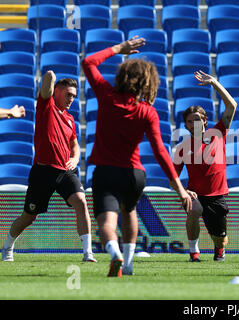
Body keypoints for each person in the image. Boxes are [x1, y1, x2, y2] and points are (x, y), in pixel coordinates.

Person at [82, 36, 192, 277]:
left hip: (106, 172)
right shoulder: (147, 112)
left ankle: (115, 253)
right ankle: (129, 263)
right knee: (129, 211)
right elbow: (160, 151)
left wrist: (119, 48)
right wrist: (180, 189)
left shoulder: (106, 96)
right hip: (134, 174)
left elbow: (88, 63)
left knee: (106, 223)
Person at [1, 72, 96, 263]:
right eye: (68, 94)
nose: (71, 99)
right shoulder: (47, 106)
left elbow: (75, 144)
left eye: (74, 96)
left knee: (81, 201)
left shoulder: (70, 119)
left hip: (65, 171)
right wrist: (51, 78)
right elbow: (48, 79)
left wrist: (75, 159)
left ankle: (88, 253)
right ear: (57, 92)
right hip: (43, 172)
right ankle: (8, 247)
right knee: (29, 217)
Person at [173, 70, 237, 262]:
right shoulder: (183, 147)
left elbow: (232, 105)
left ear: (205, 121)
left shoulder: (218, 132)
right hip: (196, 194)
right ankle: (194, 252)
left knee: (220, 238)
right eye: (190, 121)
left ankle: (219, 249)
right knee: (193, 210)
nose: (194, 123)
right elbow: (173, 176)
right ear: (186, 125)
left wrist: (215, 83)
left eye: (198, 119)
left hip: (217, 195)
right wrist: (184, 191)